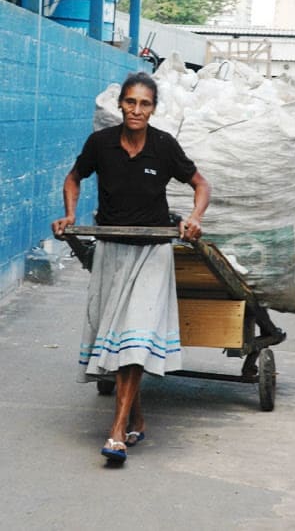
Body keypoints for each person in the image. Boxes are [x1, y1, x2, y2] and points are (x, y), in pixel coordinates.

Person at [52, 71, 210, 464]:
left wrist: (194, 218)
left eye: (145, 104)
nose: (137, 110)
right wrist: (69, 216)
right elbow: (74, 179)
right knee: (122, 338)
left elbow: (201, 185)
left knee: (135, 340)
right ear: (120, 104)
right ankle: (138, 416)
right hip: (111, 249)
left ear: (154, 109)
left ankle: (117, 431)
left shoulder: (164, 146)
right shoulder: (100, 144)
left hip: (153, 252)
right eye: (130, 102)